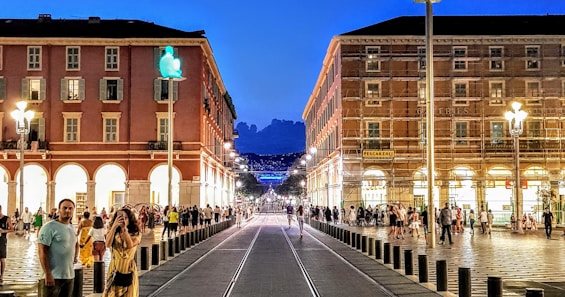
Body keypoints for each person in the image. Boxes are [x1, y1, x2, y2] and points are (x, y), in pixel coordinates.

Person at [37, 199, 79, 297]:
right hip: (53, 276)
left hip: (68, 275)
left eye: (70, 208)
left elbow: (76, 242)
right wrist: (47, 273)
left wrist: (75, 257)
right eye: (65, 208)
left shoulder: (71, 227)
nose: (67, 210)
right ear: (59, 210)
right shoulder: (49, 227)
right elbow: (42, 251)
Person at [103, 208, 141, 297]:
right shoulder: (113, 232)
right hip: (114, 269)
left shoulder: (136, 233)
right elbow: (107, 244)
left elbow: (130, 245)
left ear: (130, 219)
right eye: (119, 217)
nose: (123, 220)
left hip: (128, 269)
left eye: (125, 218)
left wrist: (124, 229)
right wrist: (113, 227)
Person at [0, 205, 12, 286]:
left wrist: (3, 231)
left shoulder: (6, 218)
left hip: (2, 240)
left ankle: (1, 276)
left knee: (2, 258)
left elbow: (12, 229)